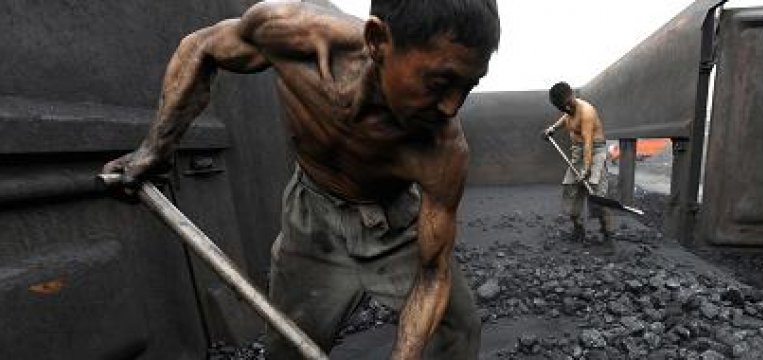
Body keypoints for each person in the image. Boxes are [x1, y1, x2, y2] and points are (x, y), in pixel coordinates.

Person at [101, 1, 500, 358]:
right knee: (288, 345)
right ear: (378, 40)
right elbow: (201, 48)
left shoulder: (443, 150)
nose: (452, 107)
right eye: (441, 83)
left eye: (469, 85)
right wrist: (155, 149)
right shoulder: (297, 34)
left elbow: (432, 275)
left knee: (457, 334)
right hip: (313, 217)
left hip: (397, 225)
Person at [541, 82, 614, 251]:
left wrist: (586, 170)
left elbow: (588, 144)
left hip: (594, 152)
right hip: (577, 152)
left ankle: (608, 235)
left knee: (597, 194)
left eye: (569, 105)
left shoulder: (586, 112)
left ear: (573, 95)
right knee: (571, 191)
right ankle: (578, 229)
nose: (567, 109)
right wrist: (552, 129)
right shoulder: (568, 110)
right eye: (563, 107)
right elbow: (566, 118)